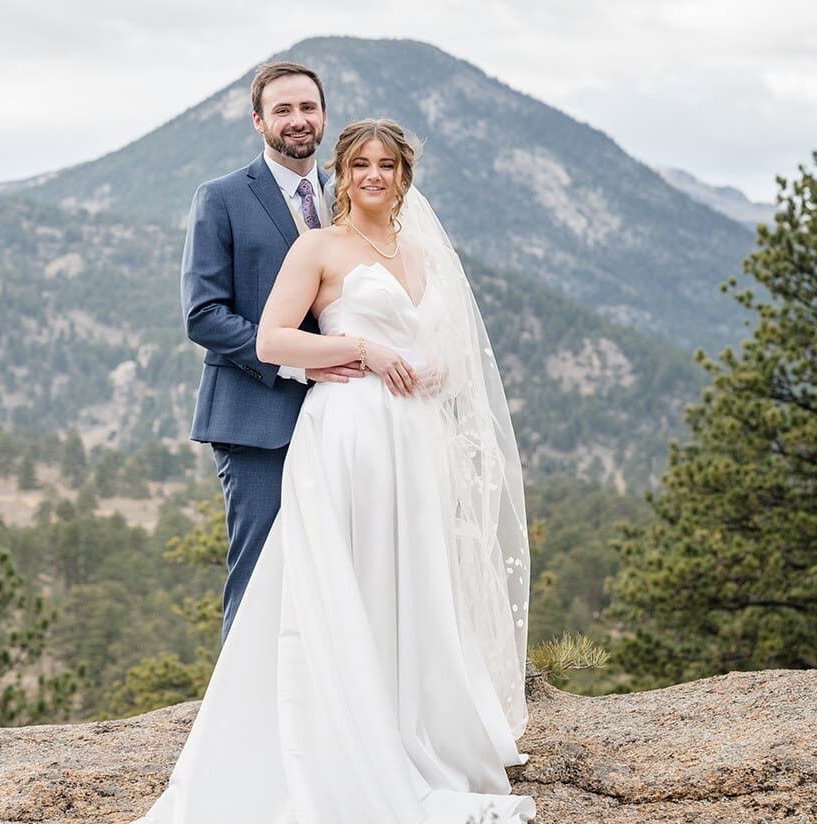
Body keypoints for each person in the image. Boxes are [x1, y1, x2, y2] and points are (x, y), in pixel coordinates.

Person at [137, 118, 536, 823]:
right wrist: (359, 348)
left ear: (404, 175)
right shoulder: (318, 247)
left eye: (386, 164)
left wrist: (437, 367)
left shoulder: (424, 254)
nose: (373, 175)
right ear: (340, 175)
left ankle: (412, 724)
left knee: (411, 574)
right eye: (359, 165)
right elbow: (270, 337)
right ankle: (341, 733)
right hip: (349, 428)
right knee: (344, 574)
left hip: (415, 438)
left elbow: (449, 348)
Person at [180, 61, 365, 645]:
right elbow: (203, 314)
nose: (297, 120)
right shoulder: (222, 199)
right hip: (256, 418)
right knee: (261, 568)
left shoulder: (349, 201)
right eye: (282, 110)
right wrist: (295, 359)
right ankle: (243, 717)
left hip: (344, 415)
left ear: (325, 116)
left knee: (338, 567)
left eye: (307, 108)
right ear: (258, 121)